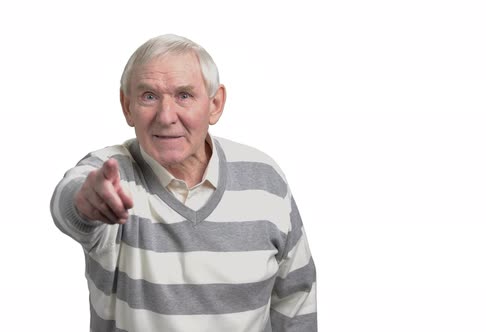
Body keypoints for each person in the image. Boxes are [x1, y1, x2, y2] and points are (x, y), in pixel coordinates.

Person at [50, 34, 317, 332]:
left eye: (184, 96)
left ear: (215, 104)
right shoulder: (112, 175)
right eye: (149, 96)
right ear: (127, 107)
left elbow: (296, 298)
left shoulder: (265, 178)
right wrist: (85, 204)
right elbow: (70, 201)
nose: (166, 117)